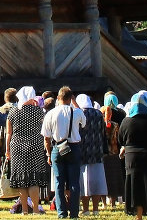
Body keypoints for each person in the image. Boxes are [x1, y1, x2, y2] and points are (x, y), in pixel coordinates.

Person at [118, 92, 147, 220]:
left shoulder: (126, 122)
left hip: (132, 158)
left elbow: (121, 140)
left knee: (135, 187)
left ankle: (138, 216)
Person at [43, 85, 86, 219]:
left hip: (57, 147)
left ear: (58, 98)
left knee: (58, 182)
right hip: (73, 147)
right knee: (74, 182)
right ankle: (74, 213)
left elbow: (46, 138)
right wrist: (74, 102)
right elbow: (84, 123)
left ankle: (61, 213)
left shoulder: (51, 113)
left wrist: (49, 154)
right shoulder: (77, 112)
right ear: (70, 98)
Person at [6, 86, 50, 214]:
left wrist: (7, 149)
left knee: (22, 179)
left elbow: (9, 133)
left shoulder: (13, 111)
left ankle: (24, 209)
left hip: (17, 146)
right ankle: (35, 208)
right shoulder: (39, 111)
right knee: (34, 178)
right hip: (35, 145)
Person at [78, 94, 109, 215]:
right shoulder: (98, 114)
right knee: (97, 181)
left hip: (83, 152)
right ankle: (95, 209)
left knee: (84, 183)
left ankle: (86, 209)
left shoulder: (79, 113)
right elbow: (103, 133)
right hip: (97, 151)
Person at [102, 92, 127, 207]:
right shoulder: (122, 113)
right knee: (118, 173)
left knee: (106, 175)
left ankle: (107, 199)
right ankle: (119, 196)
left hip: (105, 150)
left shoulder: (101, 119)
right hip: (116, 147)